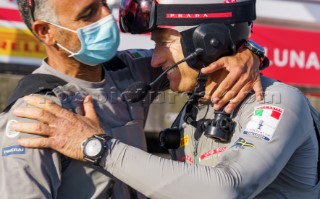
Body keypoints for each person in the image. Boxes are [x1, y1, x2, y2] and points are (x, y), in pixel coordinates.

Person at [11, 0, 320, 198]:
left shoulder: (277, 101)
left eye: (162, 43)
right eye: (89, 12)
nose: (156, 60)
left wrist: (96, 147)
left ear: (207, 44)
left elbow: (228, 187)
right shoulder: (34, 110)